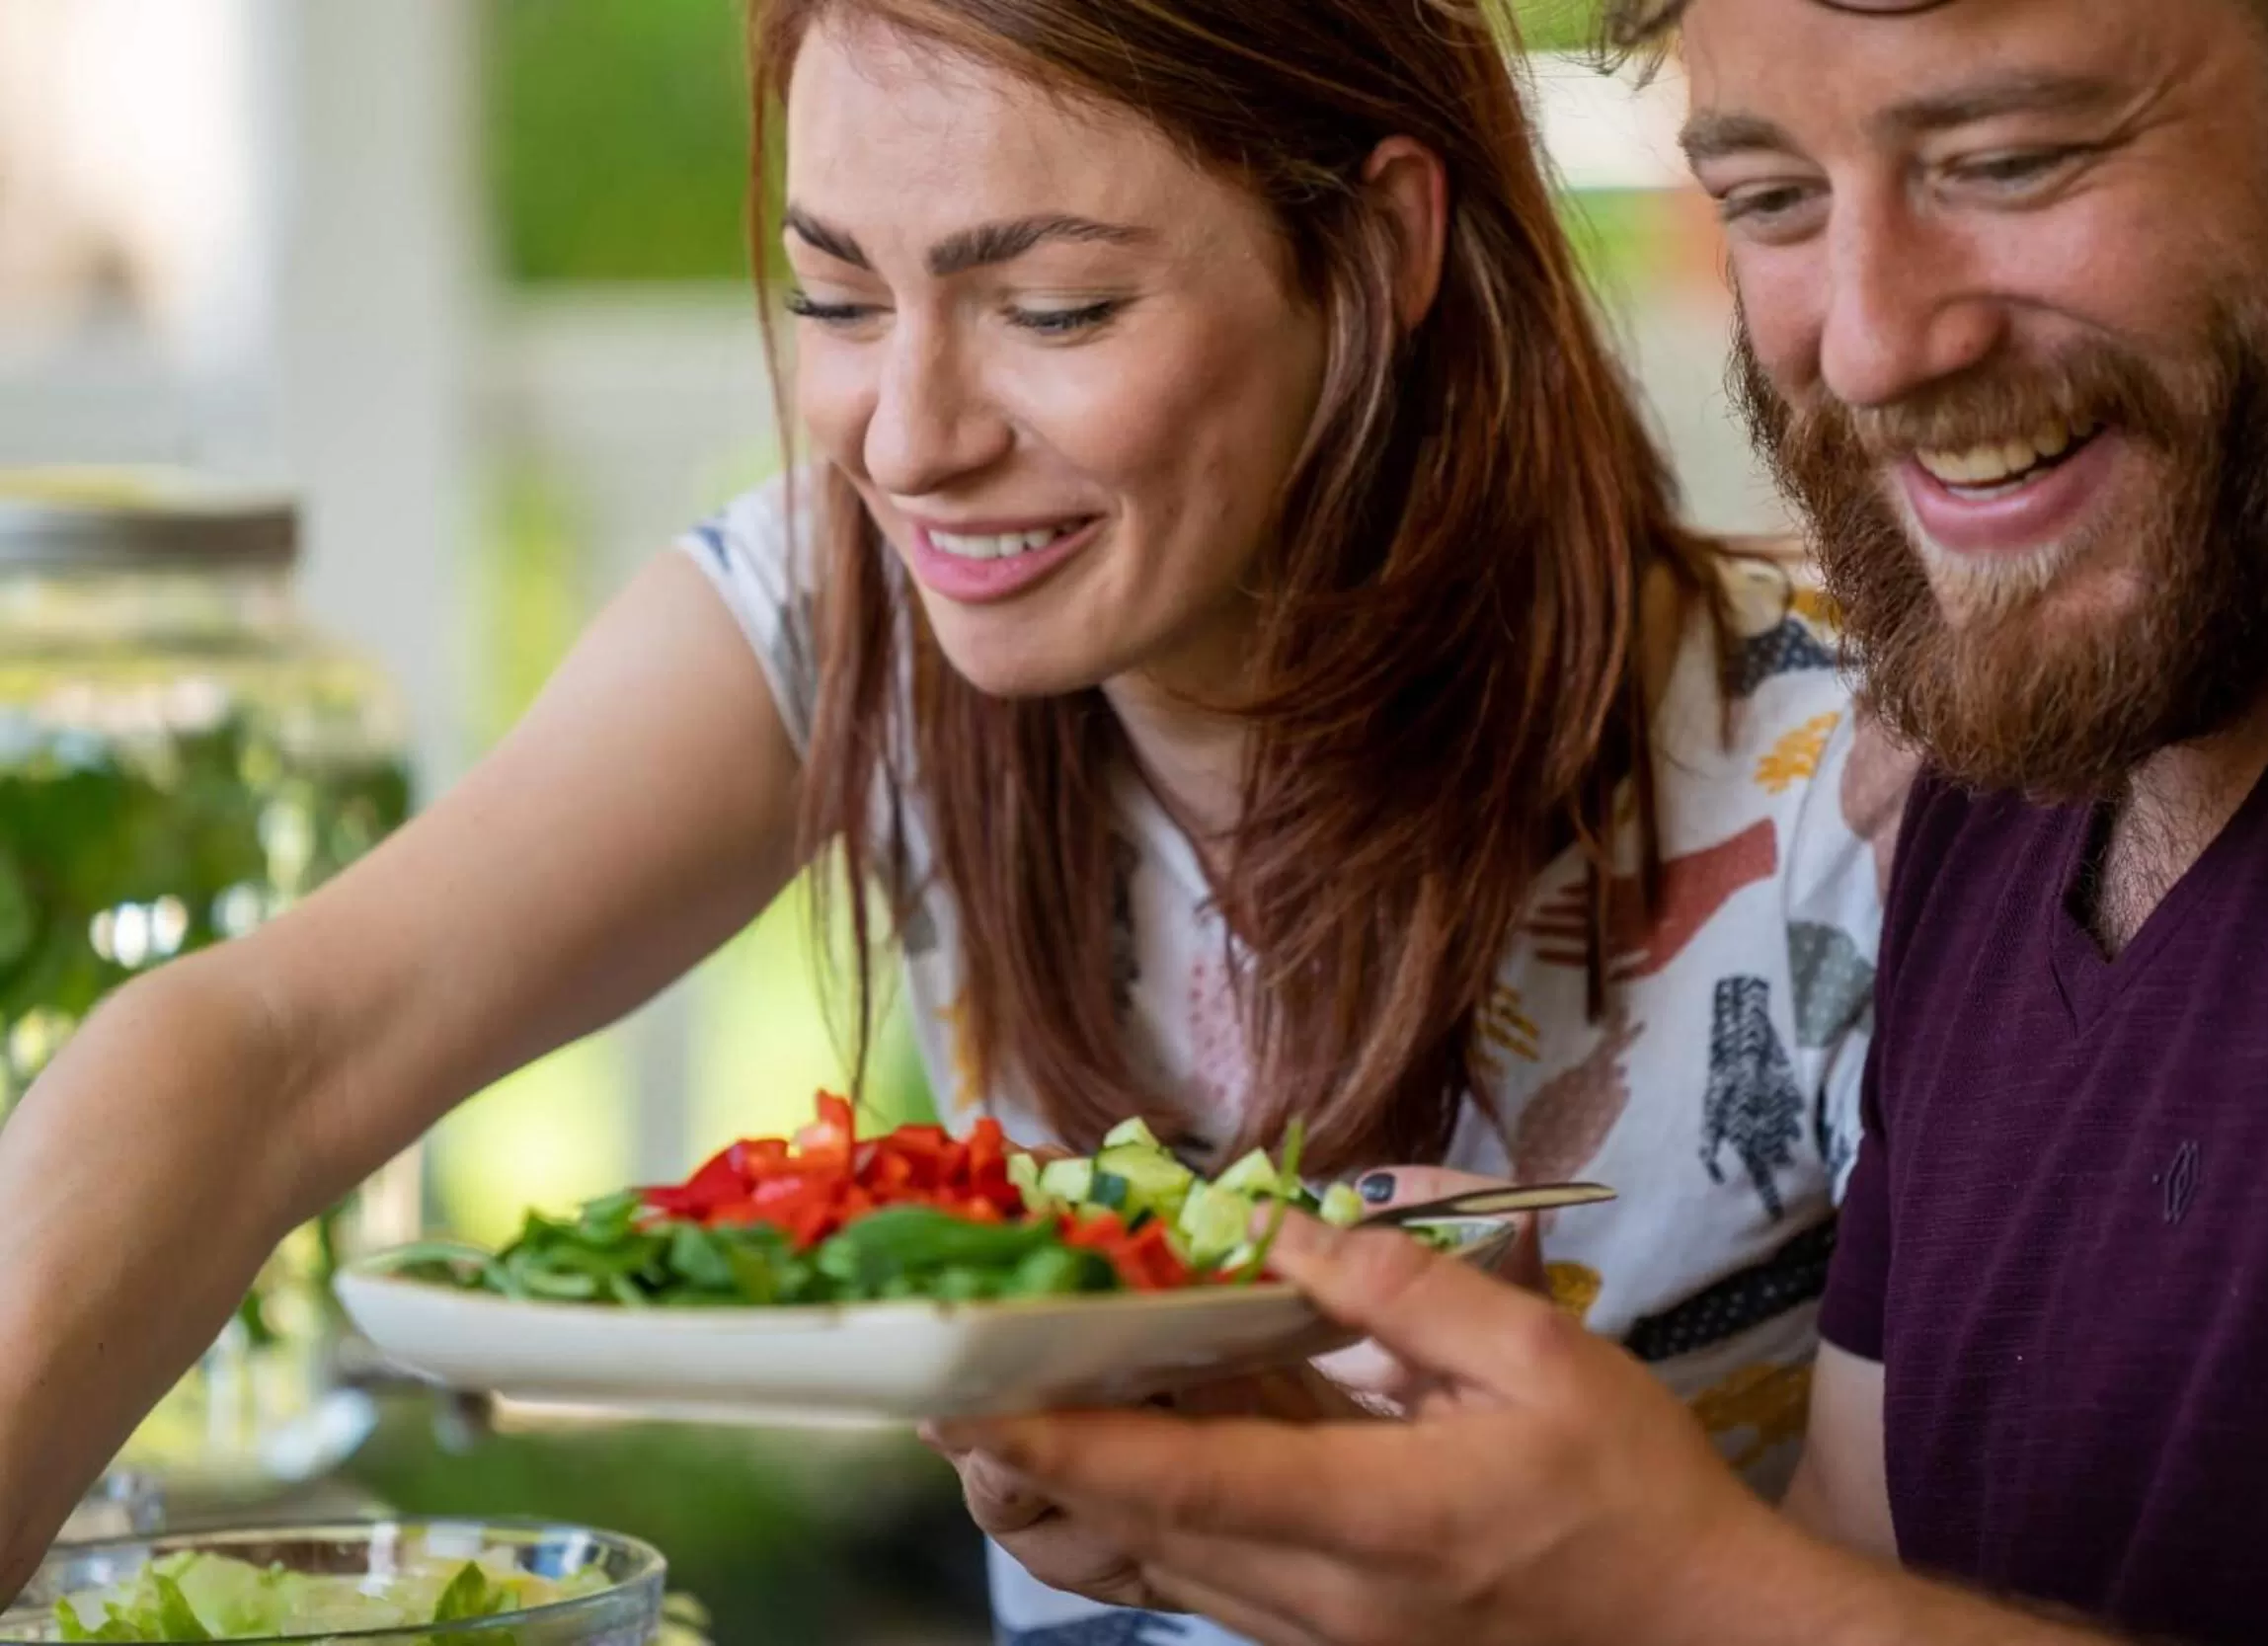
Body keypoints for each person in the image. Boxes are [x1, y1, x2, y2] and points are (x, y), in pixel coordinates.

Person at [0, 0, 1902, 1639]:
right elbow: (277, 1049)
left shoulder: (1850, 787)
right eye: (836, 297)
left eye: (1056, 308)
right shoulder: (854, 605)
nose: (908, 439)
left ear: (1378, 246)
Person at [933, 0, 2268, 1641]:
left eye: (2011, 161)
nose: (1870, 345)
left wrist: (1669, 1597)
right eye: (1772, 198)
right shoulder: (2015, 747)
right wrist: (1390, 1541)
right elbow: (1863, 1573)